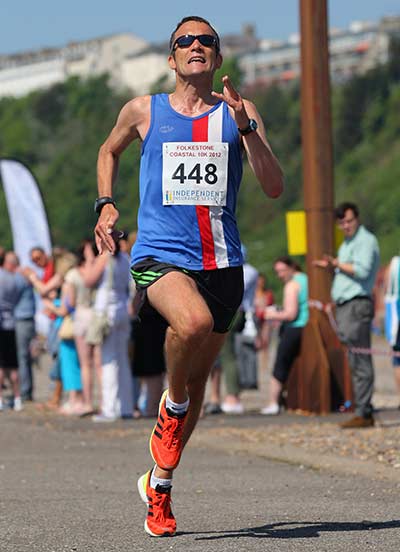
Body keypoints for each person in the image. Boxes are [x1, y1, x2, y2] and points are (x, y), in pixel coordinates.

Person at [94, 15, 283, 537]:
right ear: (172, 58)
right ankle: (169, 406)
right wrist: (106, 204)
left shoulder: (239, 113)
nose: (196, 46)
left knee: (199, 381)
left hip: (222, 263)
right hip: (159, 254)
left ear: (218, 59)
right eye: (185, 41)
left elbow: (272, 186)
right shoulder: (143, 111)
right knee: (193, 326)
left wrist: (246, 126)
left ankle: (159, 485)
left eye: (207, 42)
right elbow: (108, 151)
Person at [314, 202, 380, 428]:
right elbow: (347, 269)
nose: (346, 226)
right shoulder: (348, 243)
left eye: (349, 221)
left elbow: (361, 270)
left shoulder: (366, 240)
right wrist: (332, 266)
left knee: (360, 357)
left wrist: (336, 264)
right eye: (341, 223)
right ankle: (362, 409)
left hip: (357, 304)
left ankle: (364, 411)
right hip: (346, 306)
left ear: (357, 219)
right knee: (354, 357)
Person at [260, 256, 308, 415]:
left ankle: (273, 402)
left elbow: (290, 314)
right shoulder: (305, 279)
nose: (280, 275)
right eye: (277, 272)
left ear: (291, 267)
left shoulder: (291, 285)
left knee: (280, 365)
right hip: (307, 327)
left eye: (282, 270)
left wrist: (269, 314)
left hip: (294, 328)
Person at [221, 244, 259, 414]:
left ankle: (233, 396)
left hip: (235, 312)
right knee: (229, 354)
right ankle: (231, 394)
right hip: (236, 312)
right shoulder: (249, 270)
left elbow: (232, 290)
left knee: (228, 355)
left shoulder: (247, 271)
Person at [0, 252, 24, 411]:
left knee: (1, 366)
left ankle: (0, 400)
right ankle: (17, 398)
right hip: (11, 323)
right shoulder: (17, 280)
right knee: (13, 365)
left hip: (2, 323)